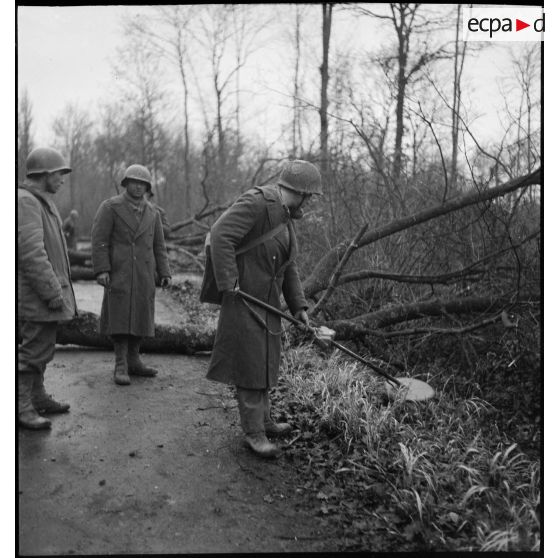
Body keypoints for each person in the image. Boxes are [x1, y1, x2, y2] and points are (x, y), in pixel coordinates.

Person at [206, 159, 322, 458]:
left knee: (265, 361)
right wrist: (229, 282)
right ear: (301, 193)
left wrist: (298, 306)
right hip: (243, 297)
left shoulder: (284, 216)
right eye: (308, 198)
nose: (307, 205)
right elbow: (221, 235)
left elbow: (289, 266)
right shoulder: (257, 202)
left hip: (267, 302)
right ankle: (253, 433)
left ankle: (264, 419)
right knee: (249, 365)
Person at [91, 164, 172, 386]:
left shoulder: (153, 212)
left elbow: (159, 246)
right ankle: (120, 364)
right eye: (134, 182)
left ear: (148, 187)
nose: (138, 187)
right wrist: (102, 269)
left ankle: (134, 360)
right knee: (119, 315)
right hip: (120, 271)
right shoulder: (110, 207)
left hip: (144, 273)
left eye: (143, 183)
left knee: (141, 314)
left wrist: (164, 272)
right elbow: (99, 241)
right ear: (125, 184)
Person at [18, 147, 77, 430]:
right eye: (58, 173)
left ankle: (38, 397)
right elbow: (31, 253)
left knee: (43, 349)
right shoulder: (26, 201)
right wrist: (52, 291)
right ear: (43, 174)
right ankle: (22, 407)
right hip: (37, 295)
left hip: (45, 294)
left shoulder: (43, 201)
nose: (62, 179)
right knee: (31, 353)